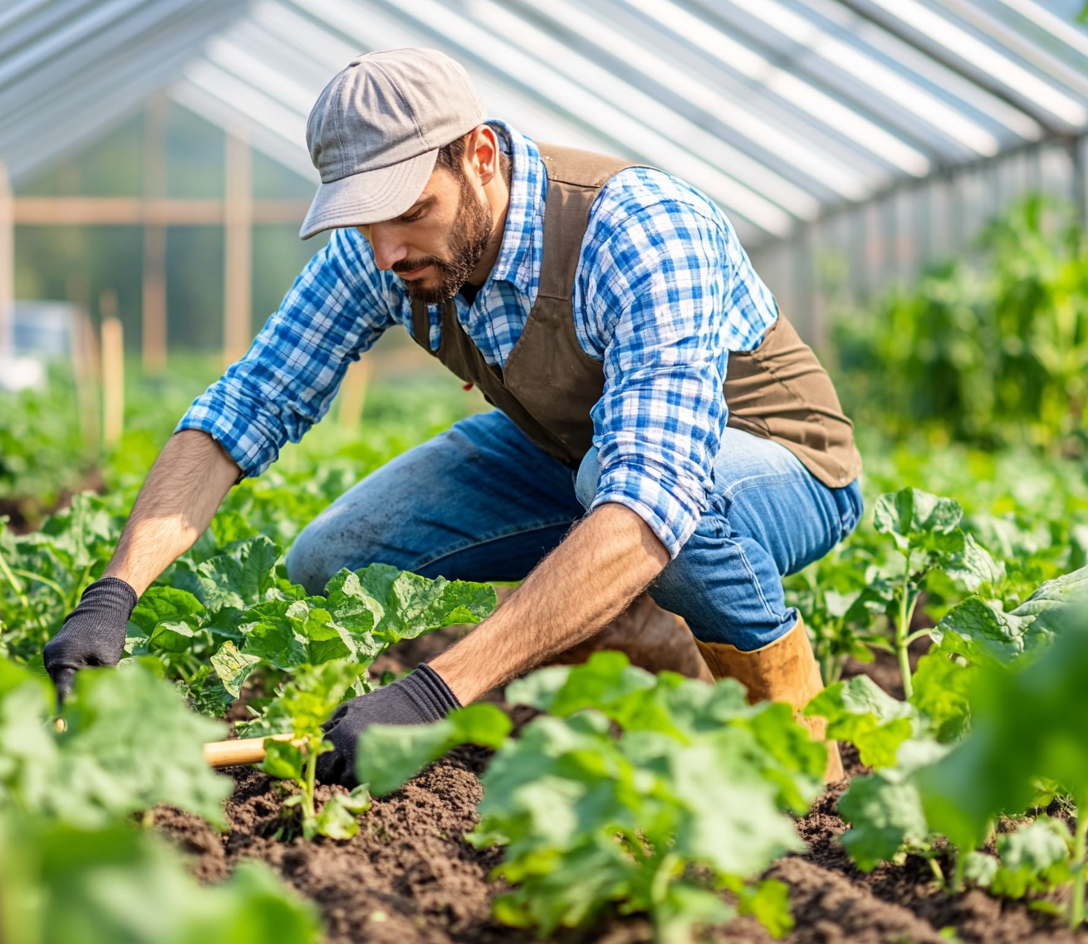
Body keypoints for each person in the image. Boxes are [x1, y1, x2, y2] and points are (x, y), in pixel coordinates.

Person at [44, 48, 862, 785]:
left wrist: (434, 692)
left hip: (774, 461)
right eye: (365, 220)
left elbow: (652, 502)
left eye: (408, 209)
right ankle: (644, 642)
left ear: (479, 155)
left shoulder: (640, 230)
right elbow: (248, 402)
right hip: (576, 459)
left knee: (642, 510)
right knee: (335, 557)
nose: (387, 250)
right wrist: (112, 594)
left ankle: (796, 754)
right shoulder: (391, 252)